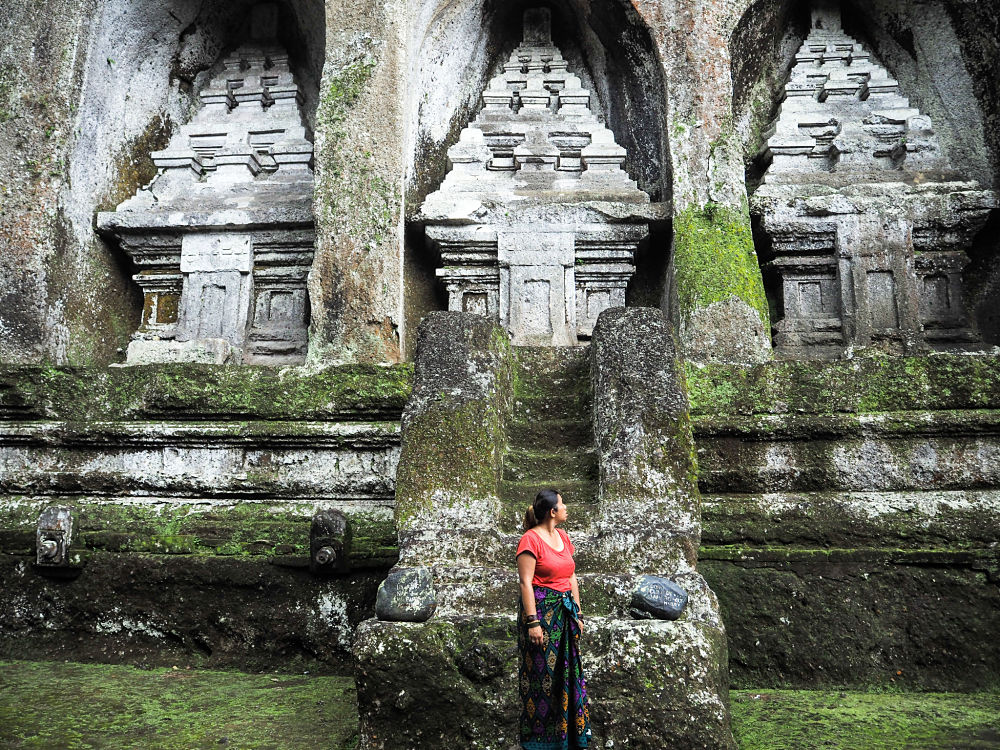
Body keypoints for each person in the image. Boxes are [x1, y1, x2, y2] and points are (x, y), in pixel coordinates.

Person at [516, 489, 591, 749]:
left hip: (565, 613)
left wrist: (578, 612)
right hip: (542, 614)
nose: (566, 507)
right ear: (552, 511)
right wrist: (533, 622)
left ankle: (568, 738)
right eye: (562, 504)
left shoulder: (564, 537)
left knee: (567, 674)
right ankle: (539, 741)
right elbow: (526, 582)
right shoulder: (530, 540)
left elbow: (571, 577)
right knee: (541, 676)